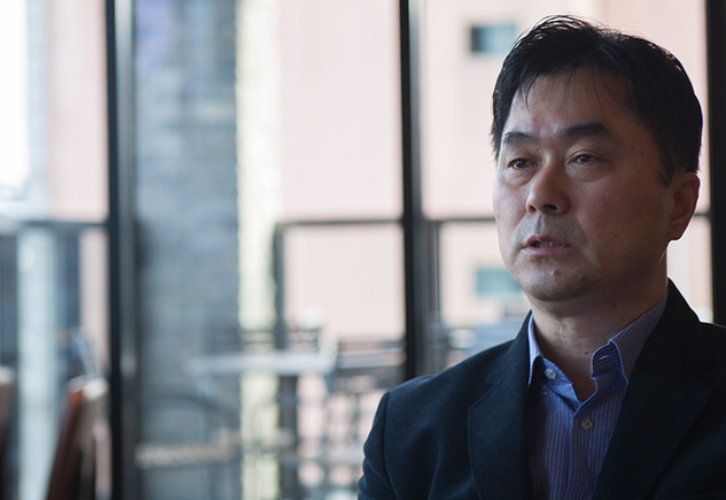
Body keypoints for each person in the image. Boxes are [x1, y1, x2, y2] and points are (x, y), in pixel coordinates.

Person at [358, 15, 726, 500]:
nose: (540, 195)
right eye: (520, 162)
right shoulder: (410, 432)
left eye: (584, 158)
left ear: (678, 203)